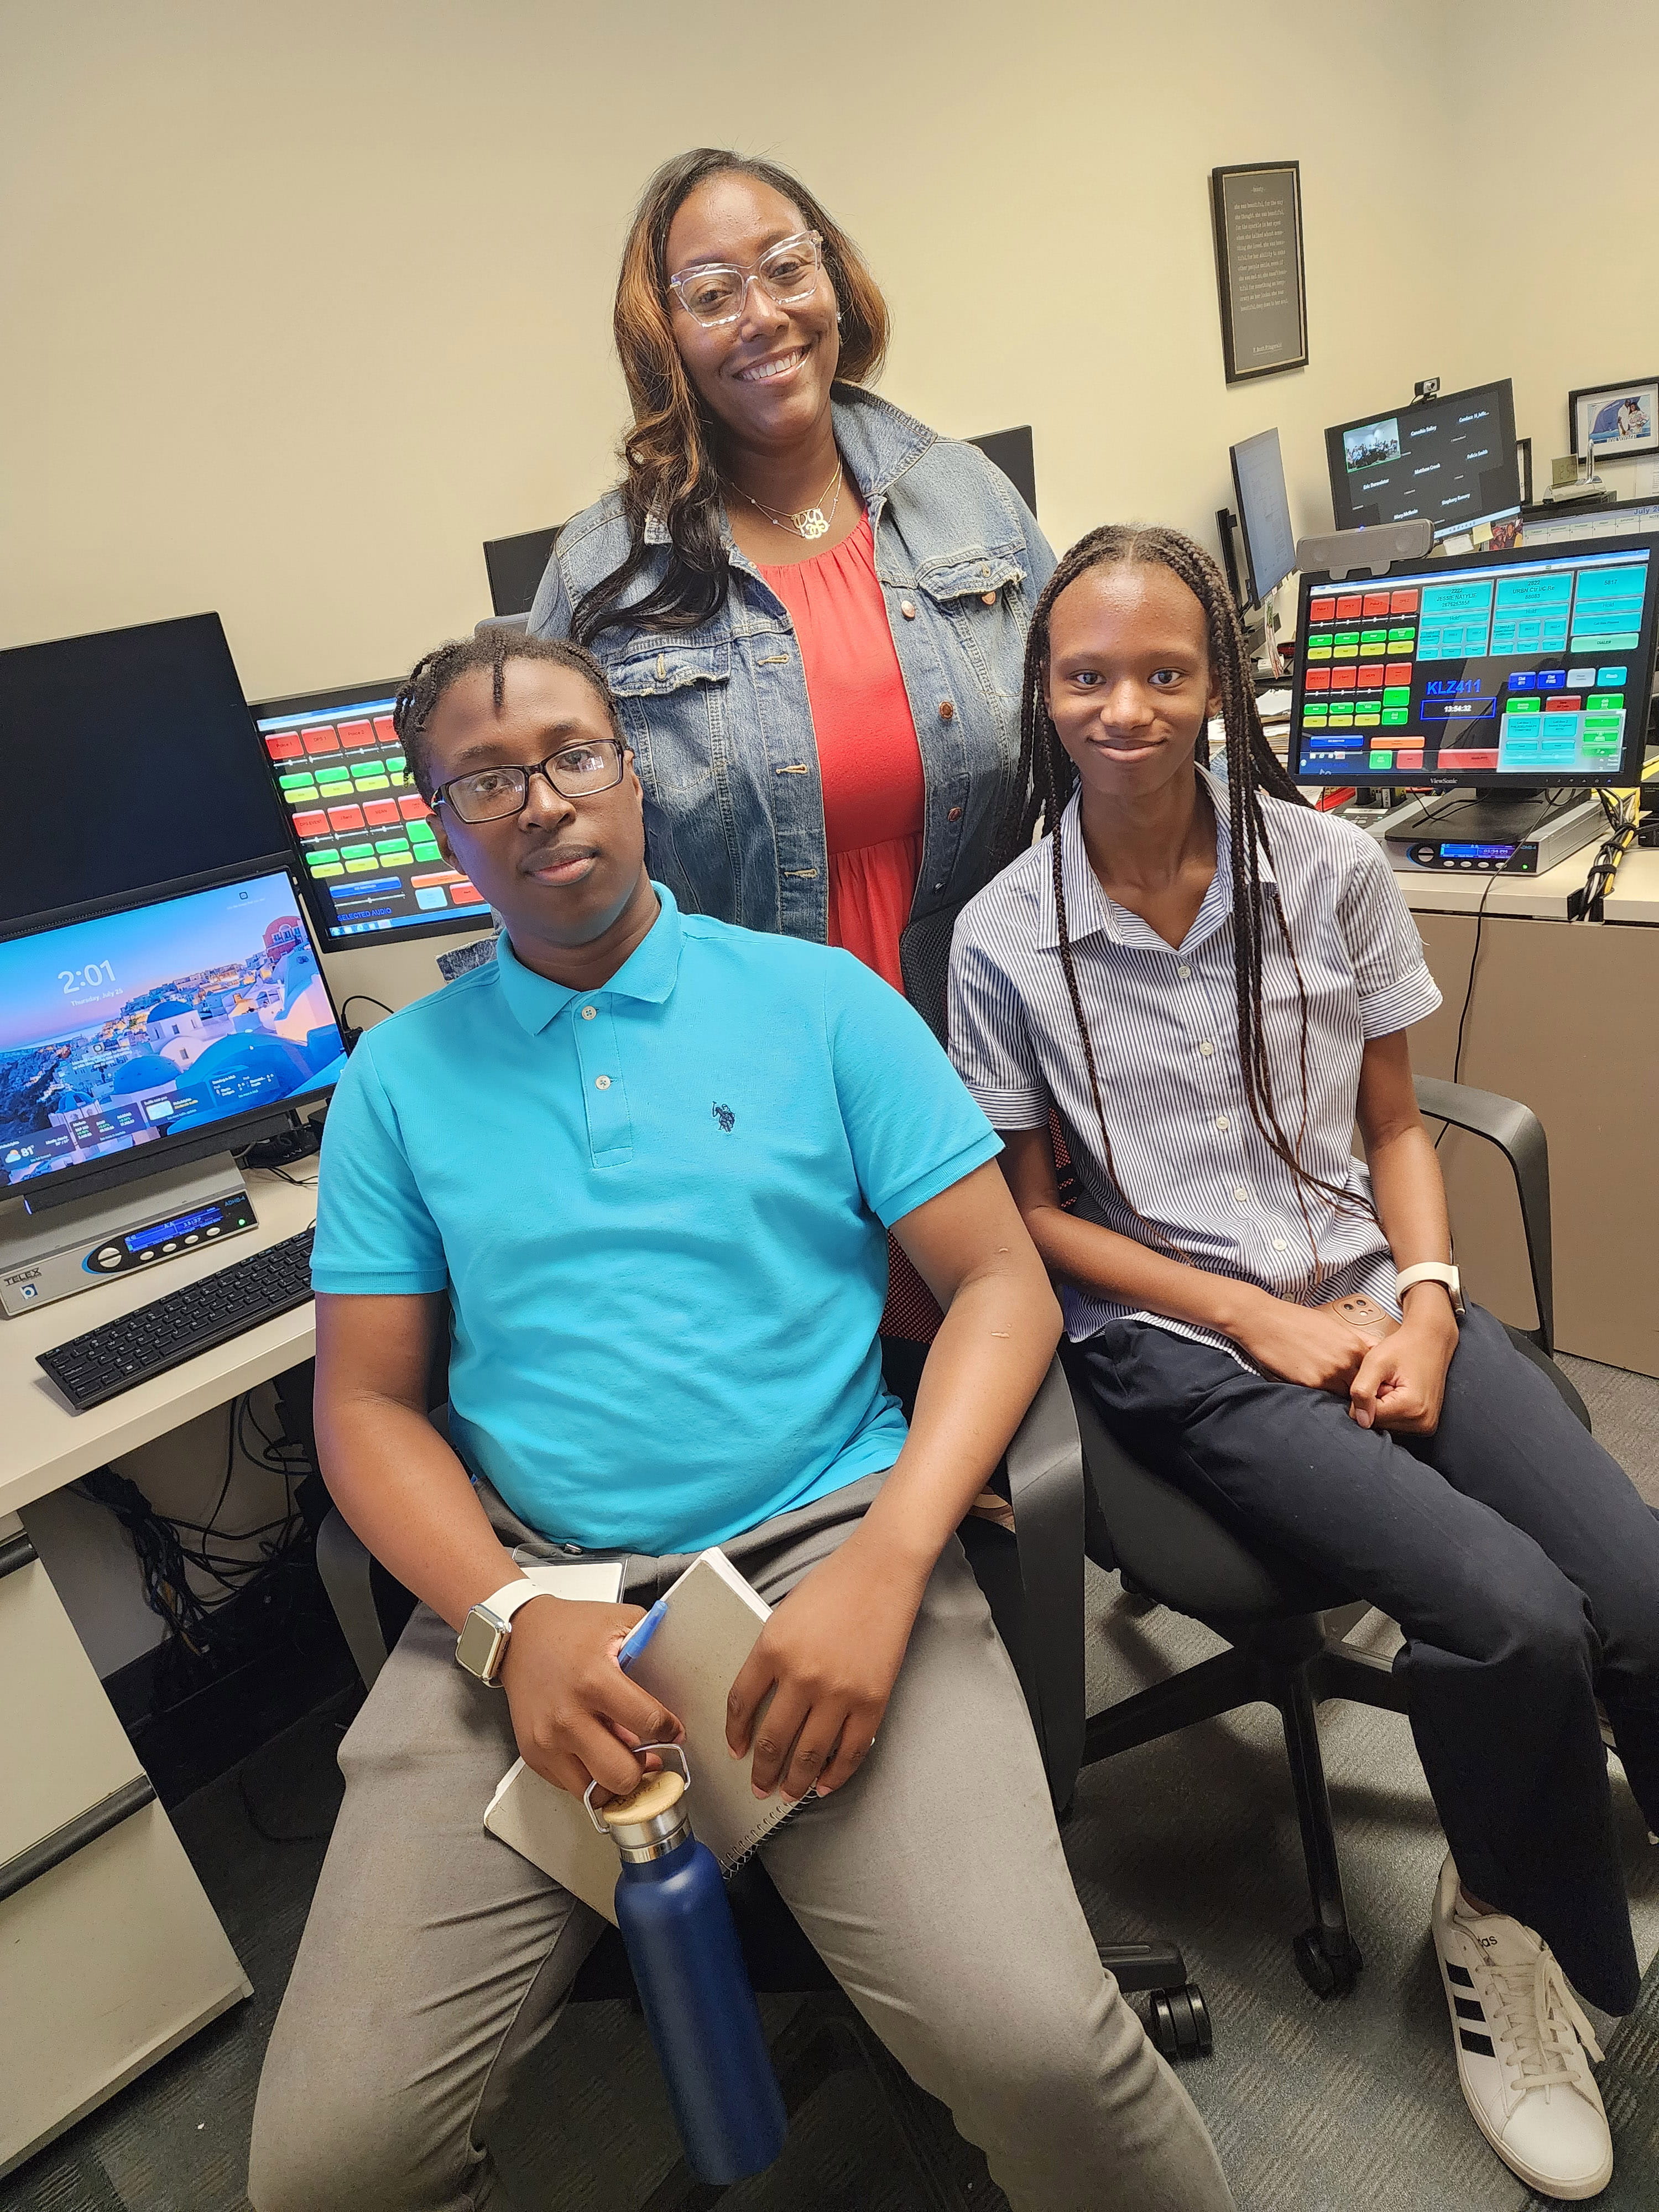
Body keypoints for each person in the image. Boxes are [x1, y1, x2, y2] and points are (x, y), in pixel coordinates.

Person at [246, 628, 1234, 2212]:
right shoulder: (397, 1083)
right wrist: (508, 1620)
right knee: (329, 2170)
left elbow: (1002, 1288)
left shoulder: (820, 1004)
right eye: (485, 779)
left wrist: (896, 1552)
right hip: (534, 1586)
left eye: (574, 754)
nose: (544, 802)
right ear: (439, 829)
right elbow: (361, 1407)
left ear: (635, 775)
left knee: (1046, 2053)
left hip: (821, 1551)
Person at [947, 524, 1659, 2204]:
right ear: (1042, 698)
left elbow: (1398, 1126)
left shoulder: (1328, 867)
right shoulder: (1001, 937)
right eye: (1086, 676)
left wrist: (1422, 1305)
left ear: (1222, 688)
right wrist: (1258, 1321)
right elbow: (1032, 1220)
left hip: (1372, 1287)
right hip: (1188, 1353)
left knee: (1635, 1580)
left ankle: (1592, 1801)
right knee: (1506, 1613)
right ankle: (1503, 1918)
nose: (1126, 708)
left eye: (1165, 673)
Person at [528, 146, 1057, 1345]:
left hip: (974, 1048)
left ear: (835, 279)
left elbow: (1082, 736)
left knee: (1013, 1393)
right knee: (814, 1405)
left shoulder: (960, 494)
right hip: (742, 1089)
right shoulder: (605, 569)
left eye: (785, 267)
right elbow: (545, 834)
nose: (762, 314)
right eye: (712, 292)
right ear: (664, 333)